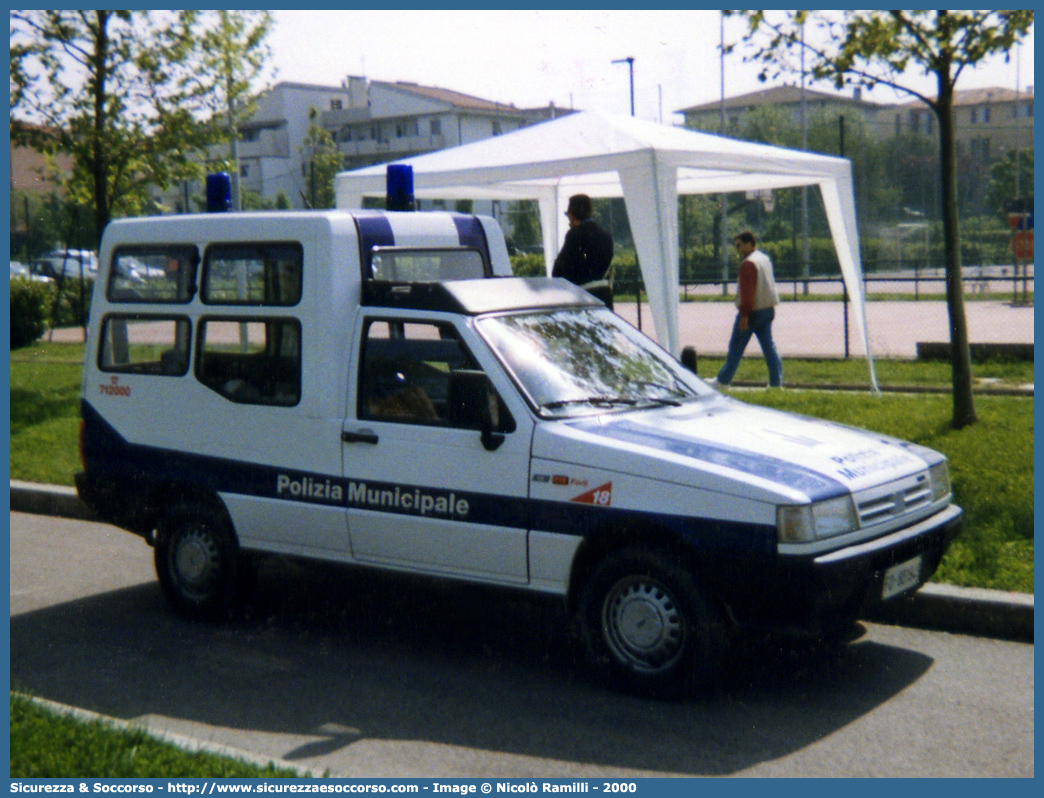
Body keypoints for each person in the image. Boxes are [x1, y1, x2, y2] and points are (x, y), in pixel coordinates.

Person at [715, 230, 783, 388]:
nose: (737, 248)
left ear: (748, 244)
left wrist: (744, 316)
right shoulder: (763, 258)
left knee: (736, 347)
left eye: (739, 245)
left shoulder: (748, 264)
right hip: (768, 309)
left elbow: (748, 292)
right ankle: (776, 383)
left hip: (752, 312)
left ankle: (723, 381)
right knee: (768, 346)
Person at [552, 194, 615, 309]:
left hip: (583, 297)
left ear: (571, 215)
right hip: (604, 295)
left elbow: (558, 270)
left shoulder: (574, 235)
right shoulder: (606, 236)